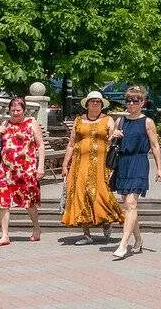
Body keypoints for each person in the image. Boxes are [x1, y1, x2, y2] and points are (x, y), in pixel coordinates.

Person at [108, 86, 161, 259]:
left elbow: (155, 146)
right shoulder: (121, 121)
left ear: (142, 102)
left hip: (139, 162)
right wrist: (113, 135)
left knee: (131, 203)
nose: (131, 104)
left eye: (135, 101)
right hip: (123, 163)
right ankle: (138, 239)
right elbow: (111, 145)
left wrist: (159, 168)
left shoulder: (147, 122)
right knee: (127, 205)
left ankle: (123, 243)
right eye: (129, 101)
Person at [61, 90, 123, 244]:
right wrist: (65, 164)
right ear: (87, 104)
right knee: (81, 195)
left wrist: (114, 136)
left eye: (98, 101)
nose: (95, 103)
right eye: (92, 101)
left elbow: (112, 141)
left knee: (102, 194)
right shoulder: (78, 121)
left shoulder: (108, 120)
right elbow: (71, 144)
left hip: (100, 164)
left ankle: (106, 221)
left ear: (102, 105)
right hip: (79, 164)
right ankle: (86, 234)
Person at [0, 96, 46, 247]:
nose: (15, 113)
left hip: (26, 169)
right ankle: (4, 235)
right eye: (13, 110)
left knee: (29, 202)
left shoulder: (31, 123)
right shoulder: (5, 123)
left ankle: (36, 227)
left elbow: (40, 145)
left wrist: (40, 166)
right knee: (3, 202)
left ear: (24, 110)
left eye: (18, 110)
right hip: (7, 170)